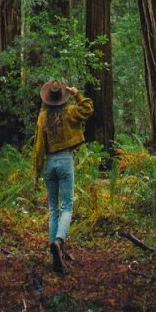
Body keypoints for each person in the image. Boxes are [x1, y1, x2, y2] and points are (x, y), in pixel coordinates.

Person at [33, 79, 94, 274]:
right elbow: (88, 109)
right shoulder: (69, 112)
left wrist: (37, 171)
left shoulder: (42, 116)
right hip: (65, 160)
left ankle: (55, 253)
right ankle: (59, 241)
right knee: (67, 206)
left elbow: (38, 146)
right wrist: (77, 93)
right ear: (62, 97)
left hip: (49, 163)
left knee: (53, 209)